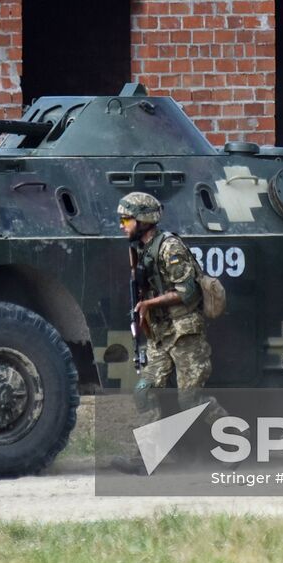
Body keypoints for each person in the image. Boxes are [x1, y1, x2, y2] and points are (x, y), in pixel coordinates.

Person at [112, 191, 220, 473]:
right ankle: (143, 459)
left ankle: (236, 439)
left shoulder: (169, 248)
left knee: (190, 400)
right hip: (161, 335)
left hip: (185, 333)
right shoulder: (140, 249)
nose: (122, 225)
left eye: (127, 219)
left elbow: (187, 291)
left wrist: (149, 303)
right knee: (145, 392)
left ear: (144, 220)